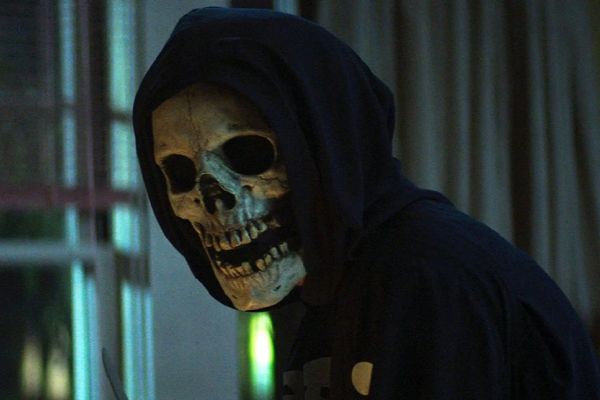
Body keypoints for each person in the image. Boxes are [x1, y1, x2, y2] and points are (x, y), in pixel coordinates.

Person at [133, 7, 600, 399]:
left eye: (249, 154)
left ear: (327, 147)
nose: (213, 202)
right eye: (179, 172)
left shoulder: (424, 278)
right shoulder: (336, 286)